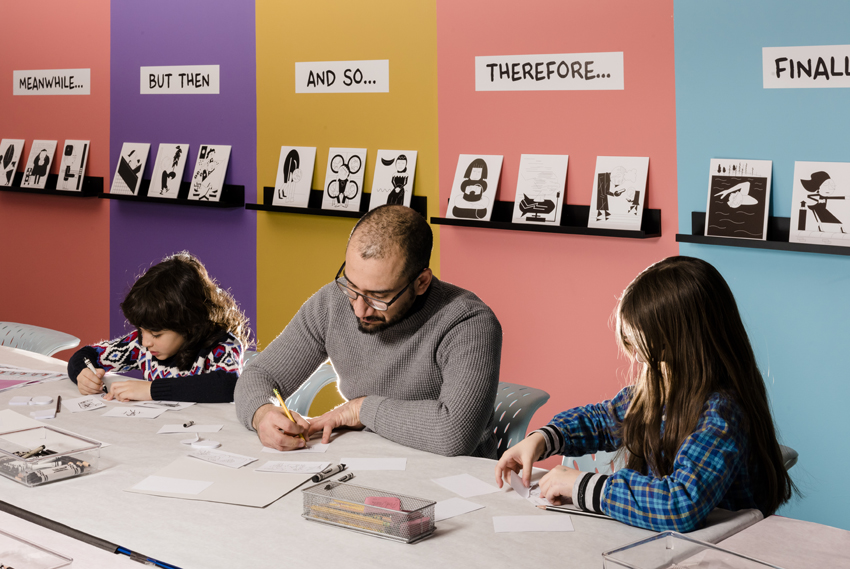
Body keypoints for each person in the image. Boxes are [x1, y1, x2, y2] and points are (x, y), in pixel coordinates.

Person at [495, 256, 795, 532]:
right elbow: (601, 421)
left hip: (724, 548)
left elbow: (680, 504)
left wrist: (582, 486)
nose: (637, 360)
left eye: (646, 348)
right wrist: (543, 438)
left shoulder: (723, 413)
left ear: (681, 344)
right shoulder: (661, 385)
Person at [235, 204, 502, 457]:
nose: (360, 310)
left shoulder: (468, 322)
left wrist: (360, 409)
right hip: (365, 461)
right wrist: (262, 413)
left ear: (421, 282)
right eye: (352, 287)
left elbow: (454, 433)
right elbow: (259, 373)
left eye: (378, 296)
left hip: (455, 481)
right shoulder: (332, 303)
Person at [68, 252, 250, 403]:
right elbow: (86, 355)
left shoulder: (222, 346)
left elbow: (227, 385)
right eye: (141, 330)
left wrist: (151, 390)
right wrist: (83, 375)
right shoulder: (140, 345)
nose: (146, 342)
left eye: (156, 334)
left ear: (189, 326)